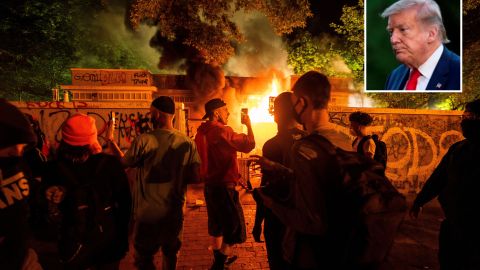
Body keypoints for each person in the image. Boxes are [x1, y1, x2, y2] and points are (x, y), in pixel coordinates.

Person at [253, 71, 353, 269]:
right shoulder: (343, 140)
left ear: (303, 102)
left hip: (313, 251)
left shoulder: (304, 148)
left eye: (295, 102)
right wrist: (279, 169)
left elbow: (311, 222)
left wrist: (271, 204)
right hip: (340, 243)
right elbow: (321, 182)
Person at [108, 96, 201, 270]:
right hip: (174, 212)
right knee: (170, 254)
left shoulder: (145, 140)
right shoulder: (188, 143)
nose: (150, 116)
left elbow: (123, 163)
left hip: (147, 214)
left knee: (143, 258)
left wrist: (110, 140)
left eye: (151, 112)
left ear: (157, 114)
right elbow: (196, 177)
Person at [41, 113, 131, 270]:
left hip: (73, 244)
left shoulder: (53, 169)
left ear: (65, 139)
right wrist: (122, 240)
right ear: (93, 138)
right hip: (107, 243)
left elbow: (44, 210)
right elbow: (125, 205)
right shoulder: (110, 165)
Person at [409, 99, 480, 269]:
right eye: (464, 116)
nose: (463, 121)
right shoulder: (458, 149)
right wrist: (420, 200)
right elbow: (439, 178)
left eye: (470, 116)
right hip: (454, 223)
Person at [194, 98, 255, 269]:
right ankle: (219, 264)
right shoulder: (222, 131)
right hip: (224, 187)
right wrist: (249, 125)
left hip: (209, 187)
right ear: (216, 113)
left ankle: (218, 258)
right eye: (225, 110)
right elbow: (249, 144)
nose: (228, 113)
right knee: (234, 228)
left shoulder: (200, 133)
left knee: (216, 225)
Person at [251, 92, 306, 269]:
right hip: (303, 217)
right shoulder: (309, 141)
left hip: (277, 218)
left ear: (277, 114)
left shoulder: (272, 145)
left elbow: (266, 187)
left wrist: (258, 221)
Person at [0, 99, 43, 270]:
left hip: (23, 257)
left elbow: (30, 199)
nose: (17, 154)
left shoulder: (17, 165)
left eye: (23, 148)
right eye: (10, 146)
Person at [382, 0, 460, 91]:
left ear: (431, 34)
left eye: (403, 29)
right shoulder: (394, 77)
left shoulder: (462, 73)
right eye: (391, 32)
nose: (393, 39)